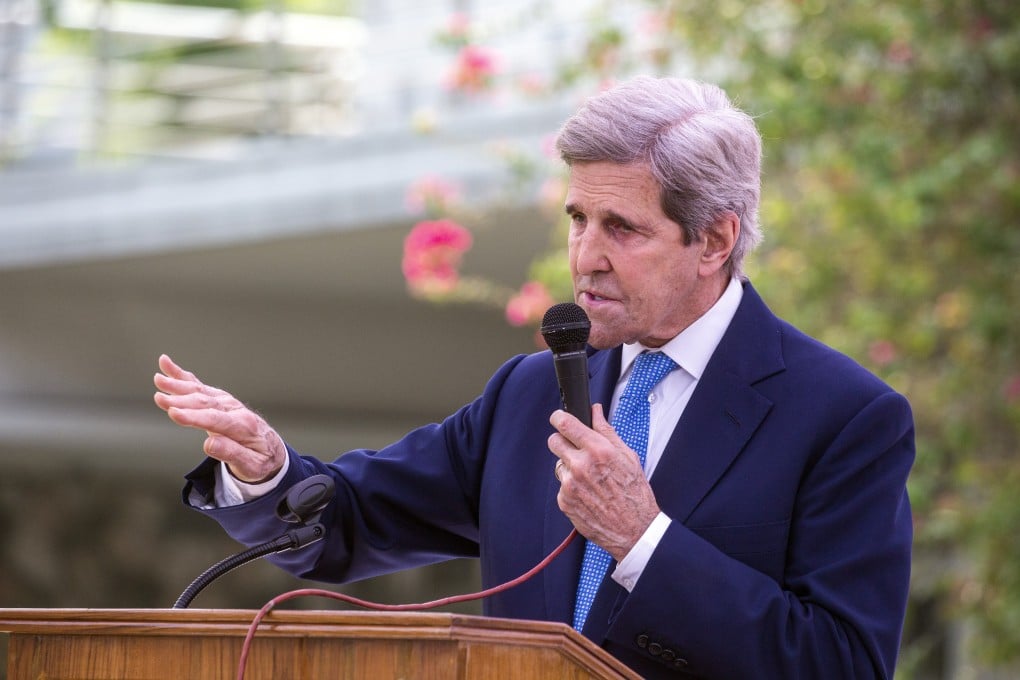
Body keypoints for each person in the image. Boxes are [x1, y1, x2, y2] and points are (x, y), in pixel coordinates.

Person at [154, 76, 914, 679]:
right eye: (579, 218)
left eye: (623, 228)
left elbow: (839, 662)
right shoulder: (528, 393)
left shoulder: (844, 417)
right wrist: (266, 470)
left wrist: (642, 539)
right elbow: (349, 523)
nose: (585, 256)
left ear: (714, 238)